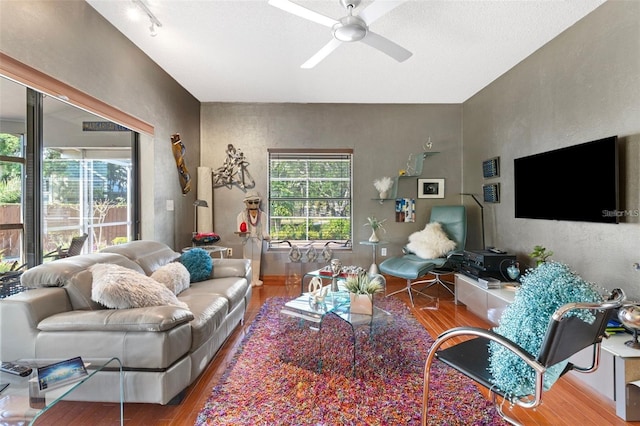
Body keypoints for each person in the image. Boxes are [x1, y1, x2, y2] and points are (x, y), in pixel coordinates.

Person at [236, 192, 270, 287]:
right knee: (247, 260)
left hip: (258, 239)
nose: (253, 205)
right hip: (247, 239)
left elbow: (263, 230)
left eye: (256, 202)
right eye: (250, 202)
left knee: (256, 260)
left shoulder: (263, 215)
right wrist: (242, 233)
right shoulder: (241, 215)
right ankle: (249, 279)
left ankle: (256, 279)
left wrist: (266, 236)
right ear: (246, 203)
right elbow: (239, 230)